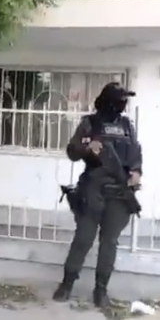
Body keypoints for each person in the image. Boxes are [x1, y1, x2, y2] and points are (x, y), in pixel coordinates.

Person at [52, 82, 143, 307]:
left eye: (125, 100)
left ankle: (101, 290)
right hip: (92, 190)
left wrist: (136, 172)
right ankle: (67, 284)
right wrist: (87, 148)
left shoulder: (127, 125)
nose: (123, 104)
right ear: (108, 102)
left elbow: (135, 153)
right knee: (83, 238)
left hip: (119, 193)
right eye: (120, 100)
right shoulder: (89, 123)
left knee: (109, 242)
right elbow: (72, 151)